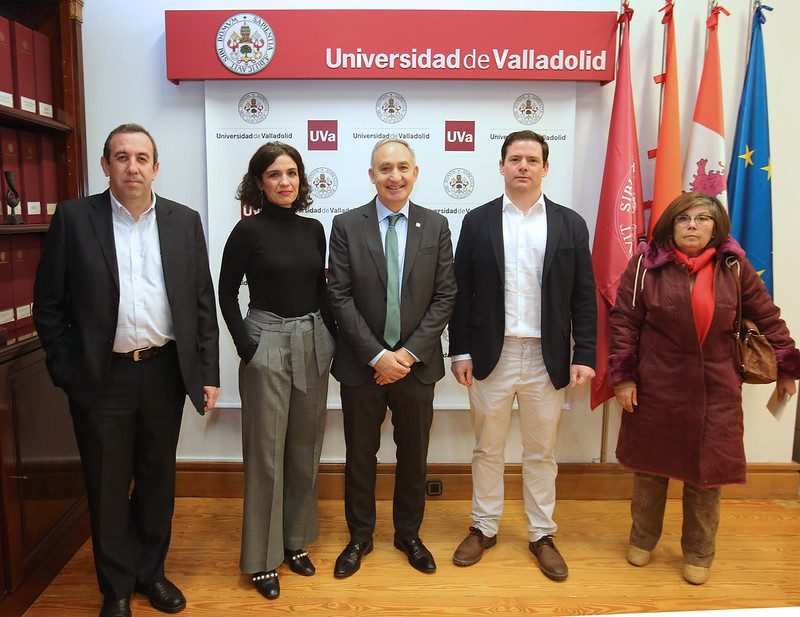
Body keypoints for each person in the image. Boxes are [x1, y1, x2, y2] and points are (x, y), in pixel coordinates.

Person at [33, 124, 220, 617]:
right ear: (106, 165)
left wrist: (206, 371)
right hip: (101, 377)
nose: (132, 166)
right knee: (108, 484)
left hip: (164, 372)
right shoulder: (74, 218)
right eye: (121, 157)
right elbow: (48, 304)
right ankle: (115, 587)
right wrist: (66, 370)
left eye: (141, 158)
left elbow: (202, 303)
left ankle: (150, 574)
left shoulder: (184, 221)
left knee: (157, 480)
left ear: (156, 167)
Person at [608, 191, 800, 585]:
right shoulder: (645, 266)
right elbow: (624, 323)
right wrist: (624, 378)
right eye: (683, 219)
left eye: (702, 219)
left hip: (717, 387)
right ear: (670, 225)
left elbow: (768, 317)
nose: (692, 225)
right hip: (656, 385)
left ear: (716, 226)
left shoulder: (734, 267)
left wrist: (787, 367)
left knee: (707, 474)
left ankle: (698, 552)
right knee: (649, 470)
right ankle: (643, 539)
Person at [448, 130, 596, 581]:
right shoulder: (477, 221)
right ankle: (485, 527)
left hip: (546, 357)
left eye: (533, 159)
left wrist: (584, 353)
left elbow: (584, 297)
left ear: (545, 168)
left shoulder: (570, 224)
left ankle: (541, 534)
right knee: (487, 447)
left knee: (541, 452)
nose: (524, 167)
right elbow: (461, 293)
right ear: (501, 166)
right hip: (492, 353)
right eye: (515, 159)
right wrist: (460, 350)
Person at [327, 138, 456, 578]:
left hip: (416, 368)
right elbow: (339, 296)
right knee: (360, 456)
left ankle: (408, 535)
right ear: (371, 175)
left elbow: (445, 296)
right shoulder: (346, 225)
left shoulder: (436, 226)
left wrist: (407, 355)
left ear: (415, 173)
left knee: (414, 455)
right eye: (385, 168)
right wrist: (378, 356)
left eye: (403, 167)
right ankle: (359, 536)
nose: (394, 176)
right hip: (362, 367)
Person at [218, 142, 334, 600]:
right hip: (265, 341)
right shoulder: (247, 232)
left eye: (291, 173)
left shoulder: (314, 229)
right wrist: (247, 345)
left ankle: (294, 541)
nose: (284, 182)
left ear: (301, 180)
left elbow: (321, 291)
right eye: (273, 175)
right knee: (266, 454)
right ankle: (263, 559)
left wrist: (336, 343)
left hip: (312, 339)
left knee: (305, 447)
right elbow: (226, 293)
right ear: (259, 183)